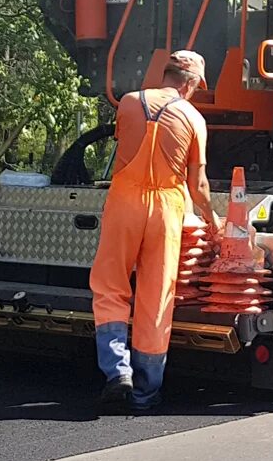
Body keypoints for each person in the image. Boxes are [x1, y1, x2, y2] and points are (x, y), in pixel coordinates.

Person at [90, 50, 220, 412]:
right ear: (191, 83)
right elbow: (199, 186)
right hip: (166, 208)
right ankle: (146, 393)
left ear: (165, 74)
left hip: (124, 203)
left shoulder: (129, 103)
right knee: (156, 297)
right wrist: (213, 220)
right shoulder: (194, 118)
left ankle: (117, 372)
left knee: (110, 285)